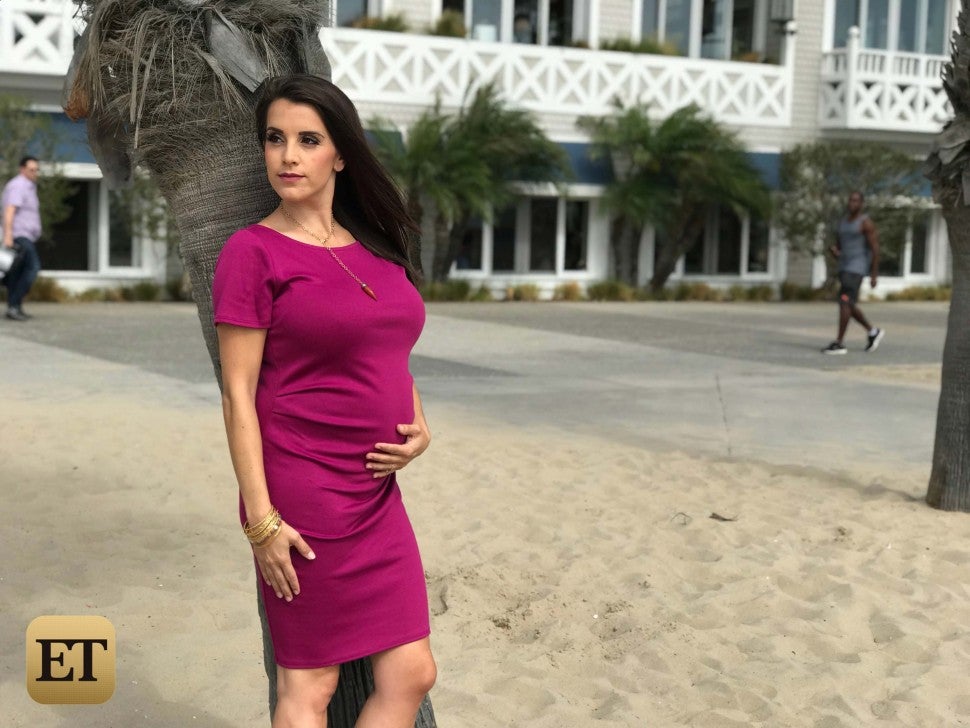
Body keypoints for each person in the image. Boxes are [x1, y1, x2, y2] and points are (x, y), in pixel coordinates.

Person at [212, 75, 436, 727]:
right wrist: (261, 521)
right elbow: (237, 393)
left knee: (413, 672)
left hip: (375, 495)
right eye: (275, 138)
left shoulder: (375, 246)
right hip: (304, 491)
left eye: (308, 140)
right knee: (310, 684)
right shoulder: (252, 252)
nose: (288, 156)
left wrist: (419, 420)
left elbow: (387, 342)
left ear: (340, 154)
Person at [821, 190, 884, 355]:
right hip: (844, 267)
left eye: (856, 201)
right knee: (847, 303)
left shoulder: (865, 223)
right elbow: (840, 247)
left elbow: (875, 249)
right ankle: (872, 331)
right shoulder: (842, 223)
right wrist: (835, 251)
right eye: (850, 200)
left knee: (844, 301)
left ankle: (839, 342)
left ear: (861, 204)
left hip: (857, 268)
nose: (852, 203)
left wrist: (874, 275)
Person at [2, 156, 42, 322]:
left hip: (25, 236)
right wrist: (8, 236)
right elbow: (9, 210)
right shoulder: (18, 185)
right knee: (33, 267)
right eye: (31, 170)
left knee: (17, 273)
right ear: (22, 169)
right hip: (19, 236)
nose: (35, 173)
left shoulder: (29, 187)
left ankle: (14, 307)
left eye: (36, 170)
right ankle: (14, 305)